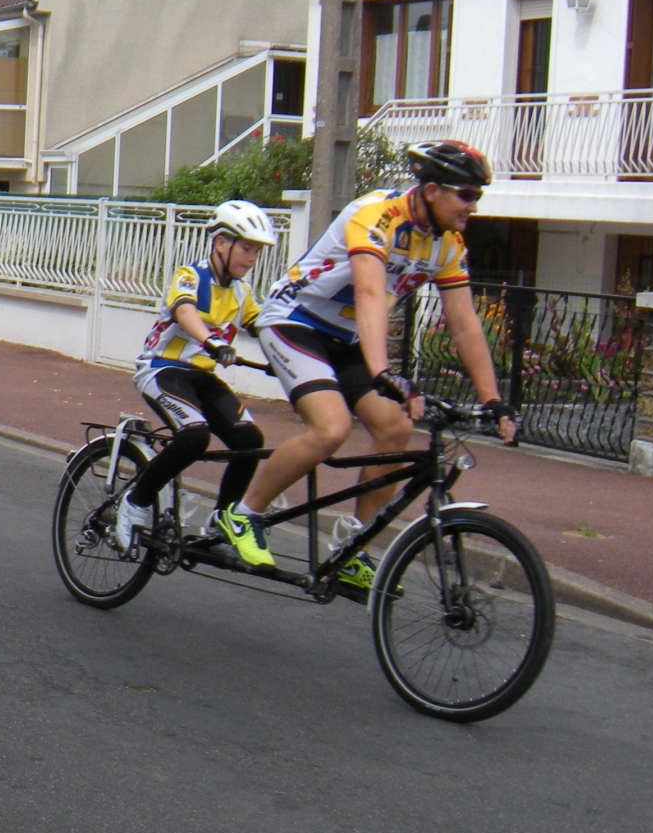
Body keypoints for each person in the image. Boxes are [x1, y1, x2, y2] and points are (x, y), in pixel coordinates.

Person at [214, 140, 516, 588]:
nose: (473, 205)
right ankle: (243, 515)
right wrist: (383, 372)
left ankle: (354, 544)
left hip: (346, 337)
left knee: (395, 427)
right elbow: (370, 294)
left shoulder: (448, 244)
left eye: (478, 196)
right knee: (332, 428)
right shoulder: (377, 215)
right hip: (296, 321)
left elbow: (465, 323)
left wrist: (493, 400)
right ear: (432, 190)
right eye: (467, 194)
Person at [114, 200, 276, 553]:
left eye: (257, 251)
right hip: (162, 371)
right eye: (246, 248)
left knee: (250, 441)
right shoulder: (190, 275)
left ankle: (220, 522)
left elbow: (264, 328)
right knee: (194, 435)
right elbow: (185, 311)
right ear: (221, 243)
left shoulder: (241, 292)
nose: (252, 258)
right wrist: (211, 340)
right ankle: (135, 502)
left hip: (202, 380)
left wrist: (290, 359)